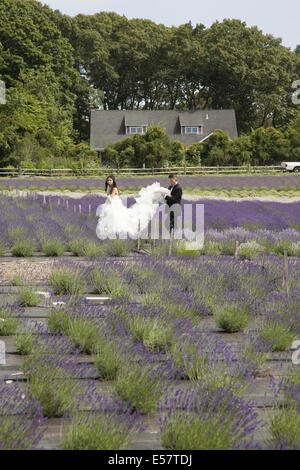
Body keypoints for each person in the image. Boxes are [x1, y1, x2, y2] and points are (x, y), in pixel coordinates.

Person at [96, 176, 168, 240]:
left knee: (118, 218)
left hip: (115, 204)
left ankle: (118, 235)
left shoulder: (114, 188)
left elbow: (110, 197)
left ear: (113, 181)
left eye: (110, 180)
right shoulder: (109, 188)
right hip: (112, 204)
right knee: (112, 219)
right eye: (108, 180)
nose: (109, 181)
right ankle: (113, 236)